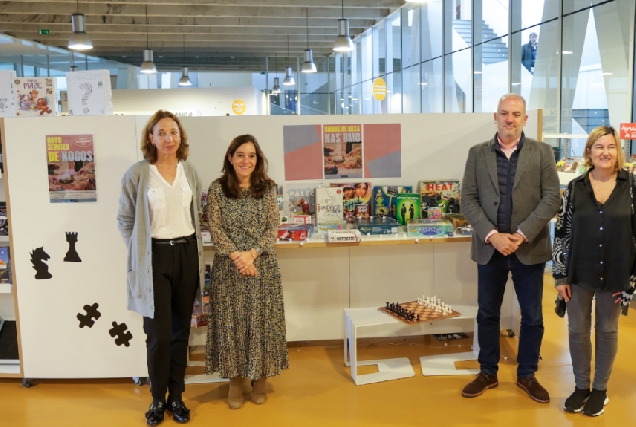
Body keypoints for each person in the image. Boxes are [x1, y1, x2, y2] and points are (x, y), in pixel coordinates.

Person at [460, 94, 560, 402]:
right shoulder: (477, 153)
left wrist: (520, 234)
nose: (509, 119)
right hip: (490, 249)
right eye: (504, 113)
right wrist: (493, 235)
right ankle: (488, 372)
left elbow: (552, 198)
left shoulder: (542, 153)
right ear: (496, 116)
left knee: (532, 316)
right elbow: (468, 199)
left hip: (529, 248)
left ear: (525, 119)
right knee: (488, 313)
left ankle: (527, 374)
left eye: (516, 114)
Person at [117, 110, 205, 426]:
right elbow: (125, 220)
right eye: (162, 132)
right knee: (158, 335)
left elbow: (198, 215)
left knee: (181, 331)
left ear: (180, 137)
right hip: (153, 256)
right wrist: (139, 250)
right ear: (151, 138)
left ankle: (177, 398)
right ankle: (157, 399)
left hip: (186, 254)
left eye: (173, 132)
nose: (168, 138)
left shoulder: (190, 171)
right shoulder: (138, 173)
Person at [552, 126, 635, 417]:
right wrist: (560, 275)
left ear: (618, 151)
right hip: (578, 272)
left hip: (616, 273)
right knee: (577, 331)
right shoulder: (575, 187)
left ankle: (600, 389)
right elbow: (562, 233)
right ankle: (581, 387)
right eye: (599, 146)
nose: (605, 152)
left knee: (608, 331)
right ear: (589, 152)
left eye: (611, 147)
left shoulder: (632, 186)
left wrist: (632, 281)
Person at [205, 134, 289, 409]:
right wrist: (238, 258)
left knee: (262, 324)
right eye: (240, 154)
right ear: (230, 158)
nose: (246, 160)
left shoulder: (267, 188)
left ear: (258, 159)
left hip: (262, 266)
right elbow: (215, 229)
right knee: (232, 326)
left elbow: (272, 228)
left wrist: (251, 255)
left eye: (251, 155)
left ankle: (261, 379)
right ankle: (235, 382)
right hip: (229, 269)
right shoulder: (217, 189)